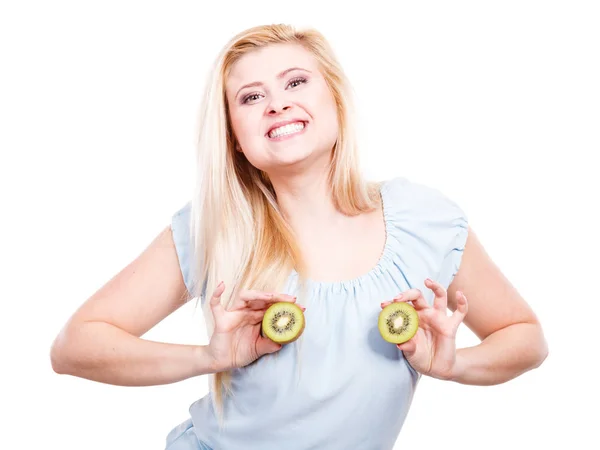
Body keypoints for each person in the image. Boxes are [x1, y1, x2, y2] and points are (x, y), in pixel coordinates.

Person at [50, 23, 549, 450]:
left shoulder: (426, 219)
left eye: (296, 81)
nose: (277, 104)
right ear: (234, 139)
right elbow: (75, 346)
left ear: (335, 99)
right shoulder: (217, 227)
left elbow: (525, 338)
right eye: (251, 97)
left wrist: (453, 364)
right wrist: (209, 358)